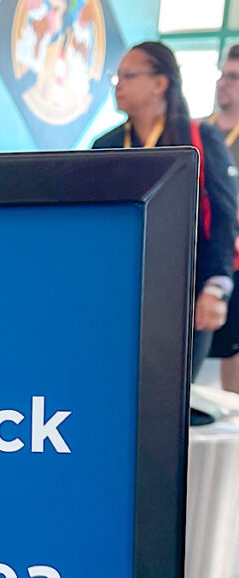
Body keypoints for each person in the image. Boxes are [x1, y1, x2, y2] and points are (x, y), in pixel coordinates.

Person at [92, 42, 238, 379]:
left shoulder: (199, 138)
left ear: (160, 83)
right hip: (121, 290)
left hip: (186, 291)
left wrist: (215, 289)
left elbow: (223, 217)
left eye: (128, 75)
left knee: (170, 395)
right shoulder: (106, 145)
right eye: (117, 76)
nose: (119, 85)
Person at [204, 45, 239, 392]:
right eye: (222, 75)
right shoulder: (198, 131)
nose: (223, 83)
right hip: (209, 258)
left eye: (233, 77)